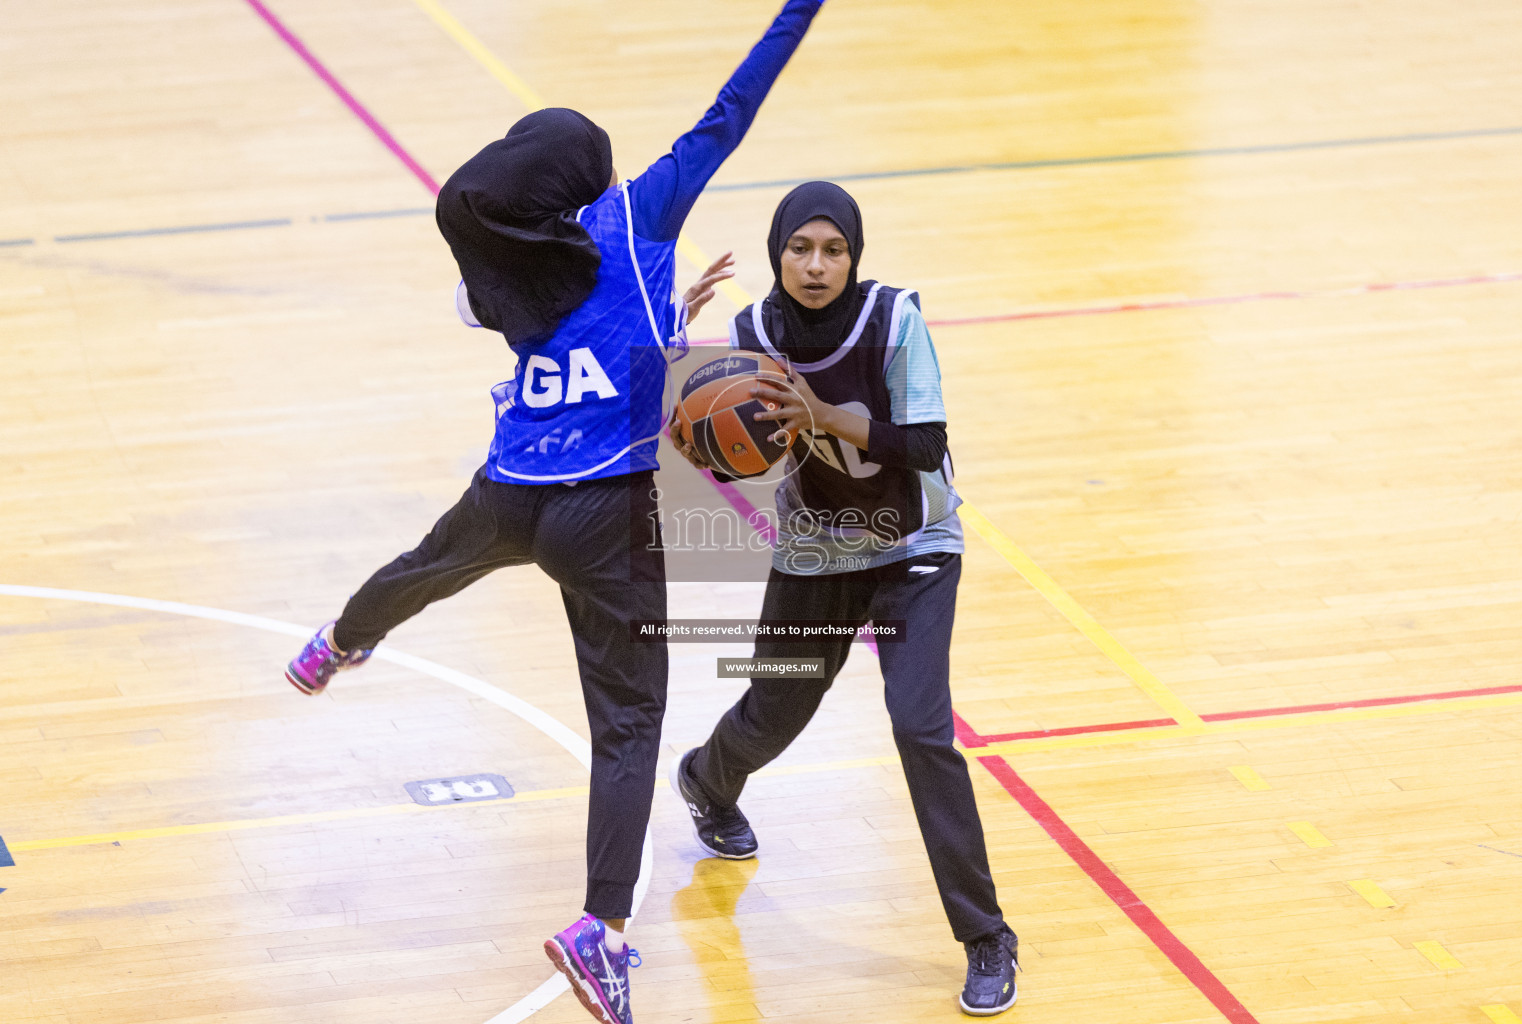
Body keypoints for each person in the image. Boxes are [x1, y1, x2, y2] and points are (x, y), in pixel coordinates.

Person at [281, 5, 827, 1024]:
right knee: (628, 724)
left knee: (423, 565)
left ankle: (334, 642)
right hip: (605, 514)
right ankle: (600, 931)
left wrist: (674, 318)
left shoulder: (522, 269)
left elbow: (556, 325)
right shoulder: (639, 215)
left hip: (509, 496)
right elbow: (732, 108)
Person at [668, 181, 1020, 1016]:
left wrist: (825, 413)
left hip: (914, 554)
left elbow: (927, 445)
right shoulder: (752, 333)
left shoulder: (895, 319)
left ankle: (985, 936)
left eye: (834, 250)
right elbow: (721, 460)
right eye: (801, 249)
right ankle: (707, 783)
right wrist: (675, 353)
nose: (817, 265)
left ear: (855, 256)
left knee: (920, 726)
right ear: (777, 254)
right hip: (816, 553)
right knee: (773, 711)